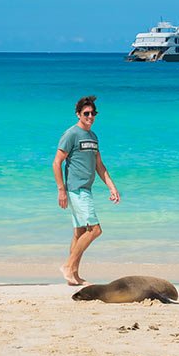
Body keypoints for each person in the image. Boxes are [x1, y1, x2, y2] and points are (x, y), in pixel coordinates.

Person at [52, 95, 120, 286]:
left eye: (93, 113)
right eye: (86, 113)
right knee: (95, 230)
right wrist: (61, 190)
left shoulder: (93, 137)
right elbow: (57, 162)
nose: (90, 117)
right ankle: (68, 266)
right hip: (76, 190)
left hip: (86, 189)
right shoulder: (71, 134)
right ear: (78, 114)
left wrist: (112, 187)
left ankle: (73, 275)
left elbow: (99, 165)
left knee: (80, 232)